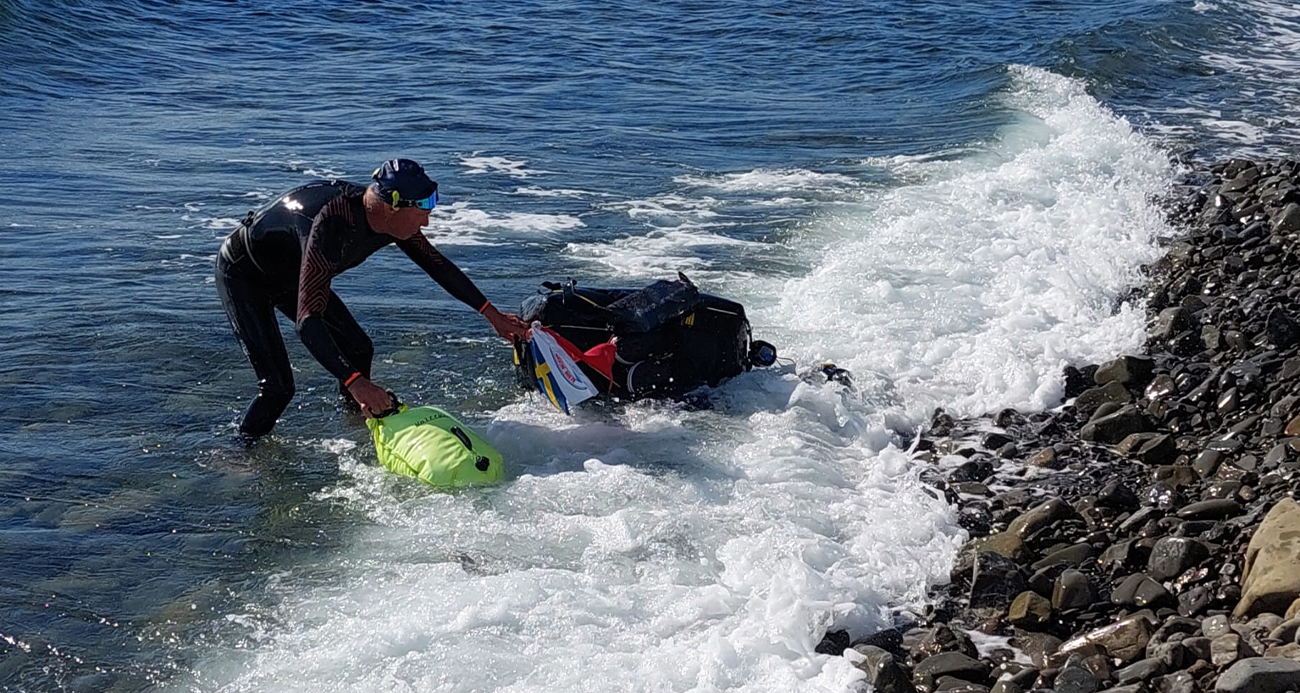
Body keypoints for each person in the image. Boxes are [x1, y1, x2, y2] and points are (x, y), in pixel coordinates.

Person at [215, 158, 527, 440]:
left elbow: (438, 265)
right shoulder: (330, 225)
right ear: (393, 206)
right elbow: (307, 322)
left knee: (359, 347)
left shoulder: (389, 221)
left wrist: (492, 314)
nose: (426, 224)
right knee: (278, 388)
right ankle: (240, 451)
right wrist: (355, 381)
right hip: (244, 275)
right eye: (422, 214)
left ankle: (355, 421)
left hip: (291, 274)